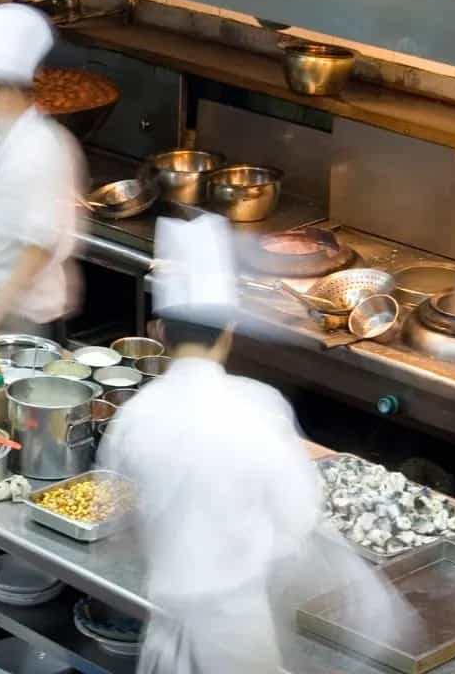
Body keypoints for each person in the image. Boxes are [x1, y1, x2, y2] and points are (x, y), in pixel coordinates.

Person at [97, 214, 320, 673]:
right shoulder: (259, 407)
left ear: (160, 332)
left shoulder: (134, 416)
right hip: (238, 636)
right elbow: (298, 521)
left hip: (165, 631)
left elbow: (119, 521)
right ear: (230, 330)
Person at [0, 3, 85, 334]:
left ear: (5, 92)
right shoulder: (6, 138)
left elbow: (40, 243)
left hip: (25, 320)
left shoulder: (39, 148)